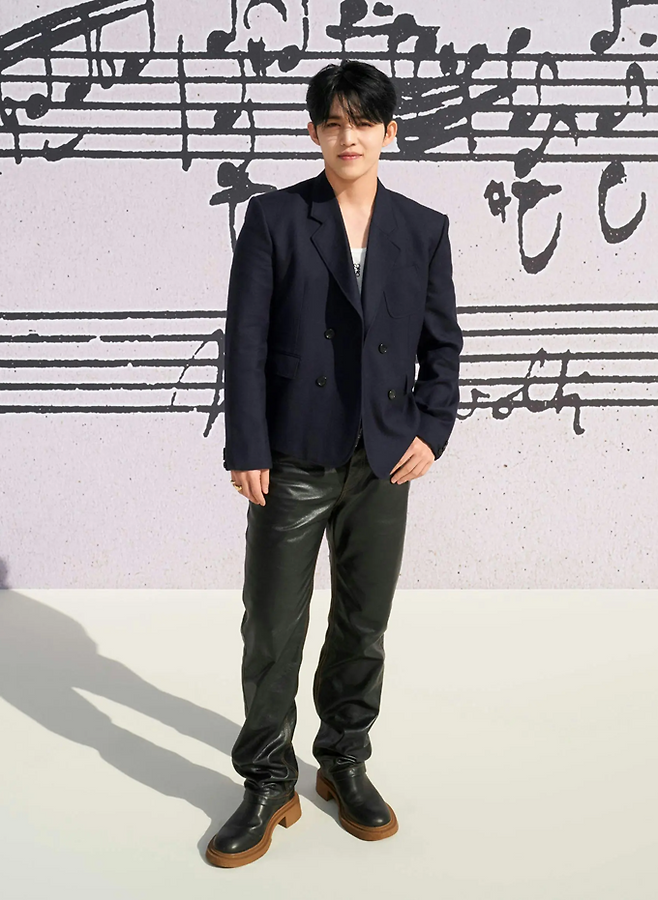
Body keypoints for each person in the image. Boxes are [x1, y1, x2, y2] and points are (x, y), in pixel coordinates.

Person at [206, 59, 463, 868]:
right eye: (334, 122)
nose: (349, 137)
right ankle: (267, 778)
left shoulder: (423, 229)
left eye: (364, 122)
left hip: (383, 458)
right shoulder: (276, 217)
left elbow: (443, 346)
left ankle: (343, 759)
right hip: (292, 454)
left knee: (363, 621)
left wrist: (432, 428)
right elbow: (245, 340)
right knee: (271, 622)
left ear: (390, 131)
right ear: (314, 132)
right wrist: (248, 444)